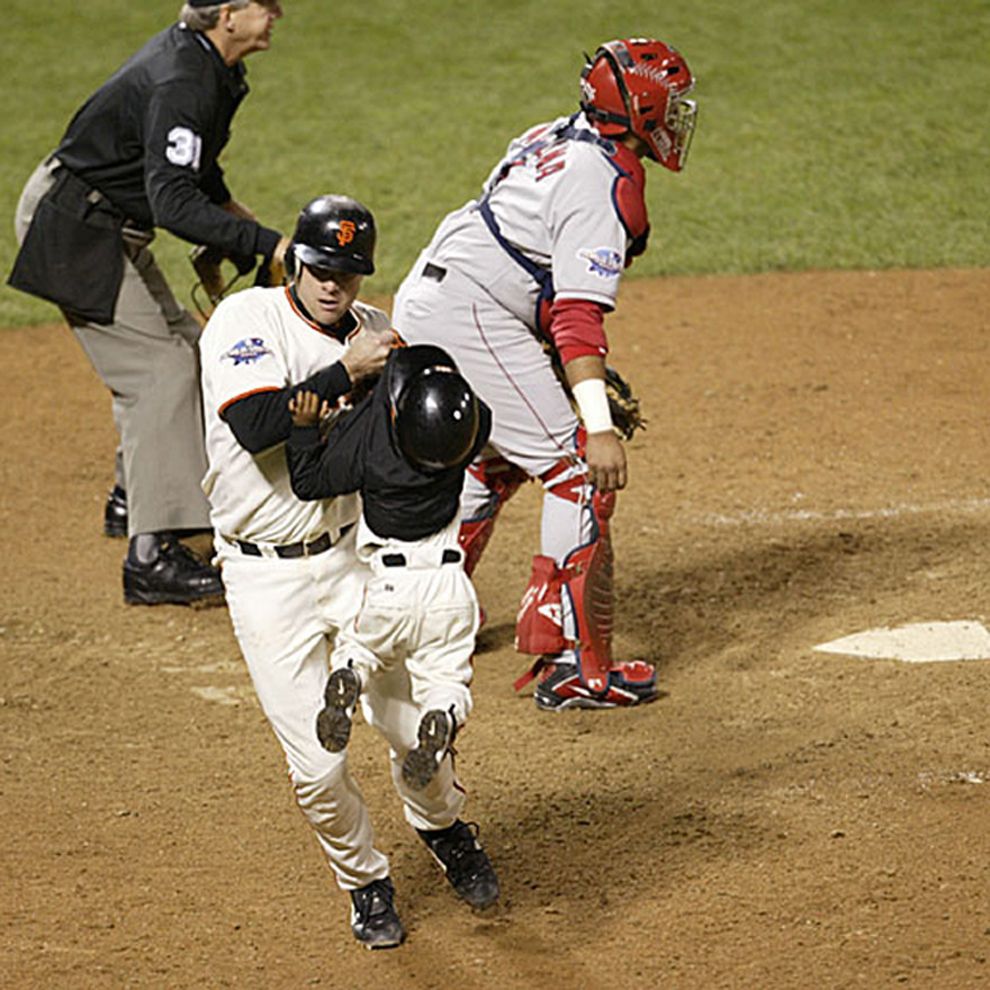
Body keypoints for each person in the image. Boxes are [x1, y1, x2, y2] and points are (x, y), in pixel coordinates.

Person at [199, 196, 499, 950]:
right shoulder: (247, 322)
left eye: (350, 272)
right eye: (323, 267)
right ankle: (365, 880)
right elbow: (257, 425)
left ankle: (443, 825)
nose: (336, 284)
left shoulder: (375, 331)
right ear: (298, 259)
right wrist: (345, 373)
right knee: (318, 767)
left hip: (356, 559)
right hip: (266, 578)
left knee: (410, 727)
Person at [392, 38, 698, 711]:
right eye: (670, 103)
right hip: (473, 312)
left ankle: (428, 625)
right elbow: (576, 319)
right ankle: (573, 667)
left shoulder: (554, 135)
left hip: (441, 295)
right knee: (577, 472)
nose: (679, 115)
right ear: (641, 108)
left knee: (492, 462)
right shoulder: (599, 185)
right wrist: (595, 425)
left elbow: (529, 265)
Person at [8, 0, 290, 605]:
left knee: (188, 353)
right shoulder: (182, 76)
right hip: (75, 224)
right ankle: (150, 558)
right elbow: (172, 204)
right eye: (265, 5)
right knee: (157, 373)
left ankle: (133, 497)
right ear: (229, 15)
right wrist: (267, 244)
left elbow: (191, 167)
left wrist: (235, 220)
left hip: (108, 220)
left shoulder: (209, 66)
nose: (278, 12)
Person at [286, 345, 494, 791]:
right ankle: (442, 715)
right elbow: (478, 412)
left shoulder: (371, 448)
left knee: (360, 646)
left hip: (391, 589)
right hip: (452, 590)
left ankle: (350, 675)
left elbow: (309, 482)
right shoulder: (465, 437)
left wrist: (306, 428)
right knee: (446, 678)